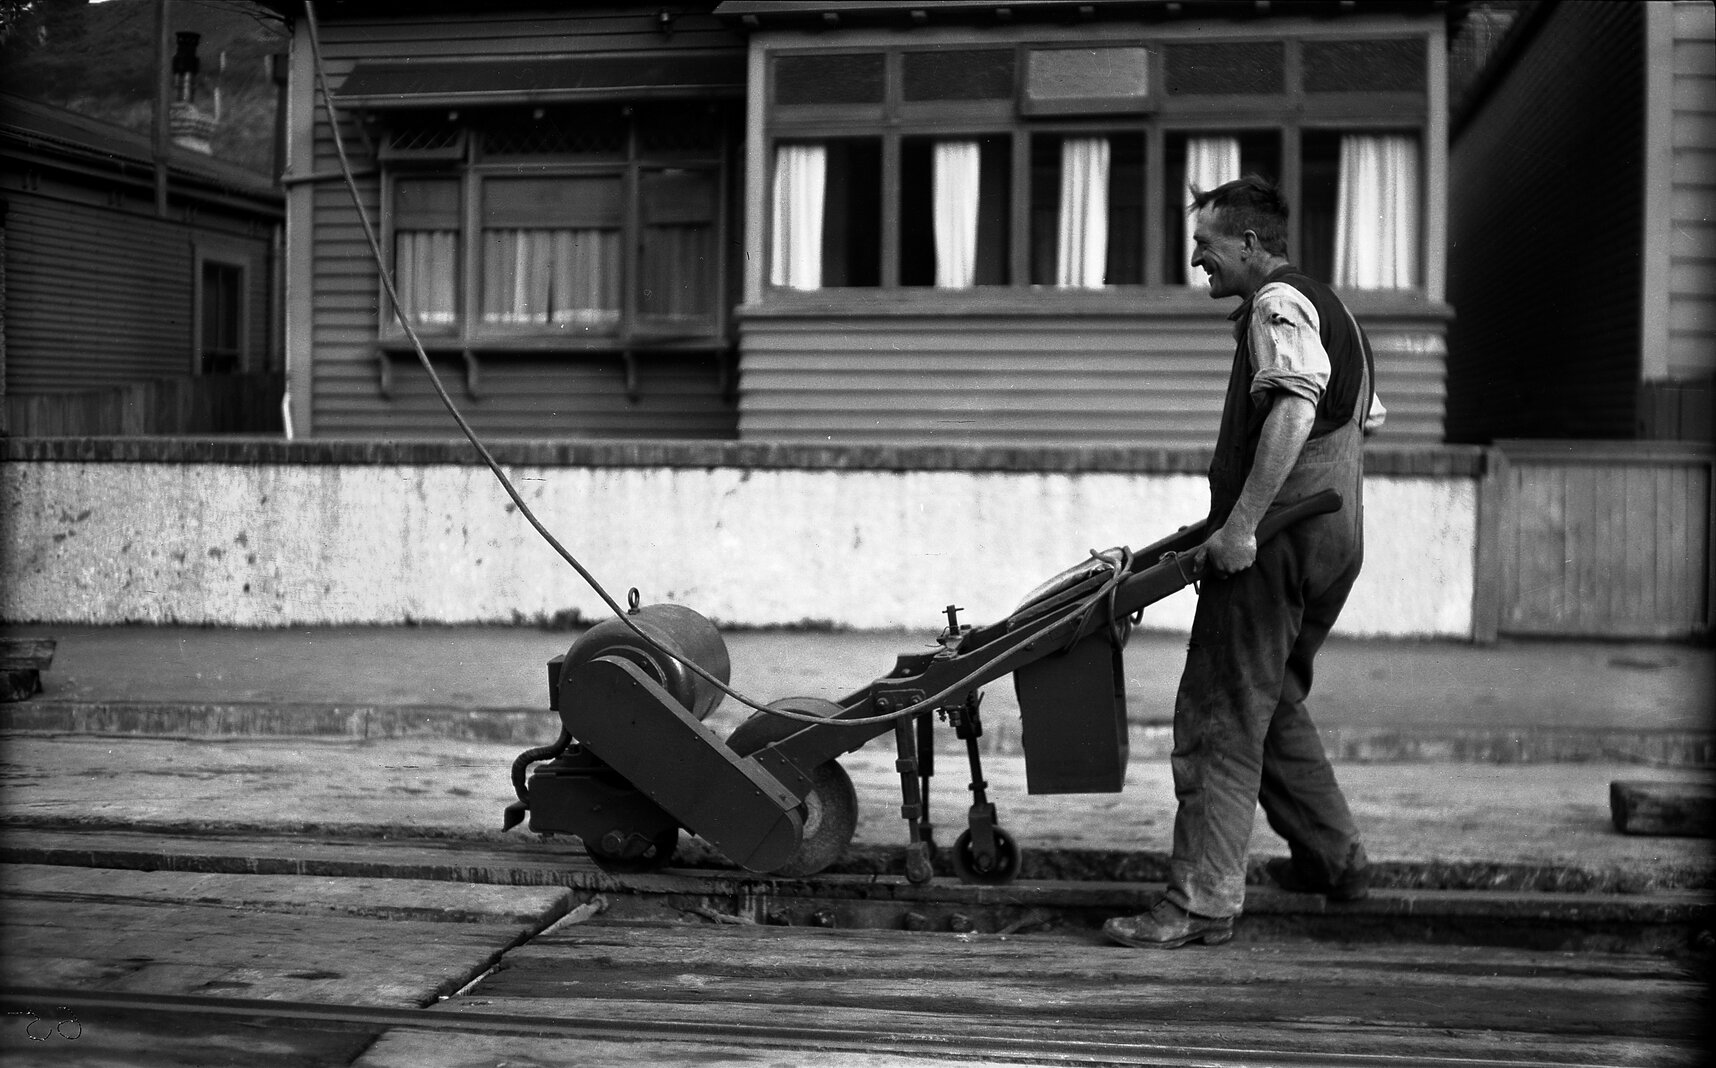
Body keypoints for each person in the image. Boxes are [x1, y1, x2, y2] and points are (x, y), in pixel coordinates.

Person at [1104, 175, 1383, 950]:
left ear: (1251, 244)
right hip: (1331, 540)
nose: (1198, 258)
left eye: (1206, 245)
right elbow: (1358, 420)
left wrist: (1244, 524)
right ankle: (1336, 861)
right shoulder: (1336, 310)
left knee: (1222, 714)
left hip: (1277, 542)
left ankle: (1199, 903)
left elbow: (1296, 406)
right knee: (1274, 700)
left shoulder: (1276, 304)